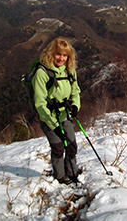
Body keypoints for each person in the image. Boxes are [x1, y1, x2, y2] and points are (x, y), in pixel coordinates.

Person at [32, 37, 81, 184]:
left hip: (65, 114)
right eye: (58, 54)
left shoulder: (70, 70)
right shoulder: (42, 73)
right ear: (51, 53)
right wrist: (54, 126)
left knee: (72, 145)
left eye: (65, 55)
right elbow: (40, 103)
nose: (61, 58)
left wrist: (75, 106)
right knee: (58, 147)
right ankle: (60, 176)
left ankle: (72, 172)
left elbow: (75, 91)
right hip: (48, 117)